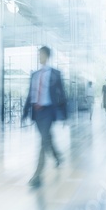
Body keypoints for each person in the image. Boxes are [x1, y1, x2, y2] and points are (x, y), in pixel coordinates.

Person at [22, 46, 67, 187]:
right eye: (38, 54)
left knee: (43, 141)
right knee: (47, 138)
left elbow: (62, 95)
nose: (39, 56)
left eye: (41, 54)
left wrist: (64, 114)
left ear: (47, 55)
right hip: (37, 112)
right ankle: (57, 156)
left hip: (48, 111)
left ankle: (37, 175)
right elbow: (30, 94)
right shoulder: (34, 74)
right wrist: (24, 112)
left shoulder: (55, 74)